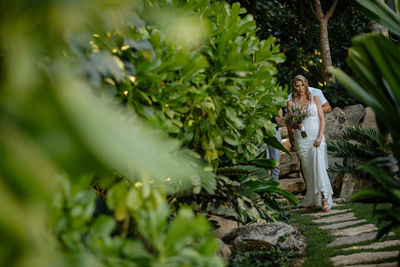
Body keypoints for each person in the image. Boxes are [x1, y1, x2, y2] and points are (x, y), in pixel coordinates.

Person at [287, 75, 333, 211]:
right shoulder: (290, 103)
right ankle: (315, 199)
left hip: (316, 136)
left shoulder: (315, 98)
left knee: (318, 164)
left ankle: (325, 198)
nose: (300, 88)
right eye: (297, 86)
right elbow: (290, 123)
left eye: (302, 85)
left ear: (306, 85)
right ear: (294, 87)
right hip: (302, 139)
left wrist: (320, 137)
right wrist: (297, 127)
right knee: (308, 170)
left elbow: (322, 119)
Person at [267, 109, 283, 181]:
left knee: (276, 163)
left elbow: (280, 113)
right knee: (264, 163)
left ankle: (274, 187)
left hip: (274, 130)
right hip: (260, 132)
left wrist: (279, 118)